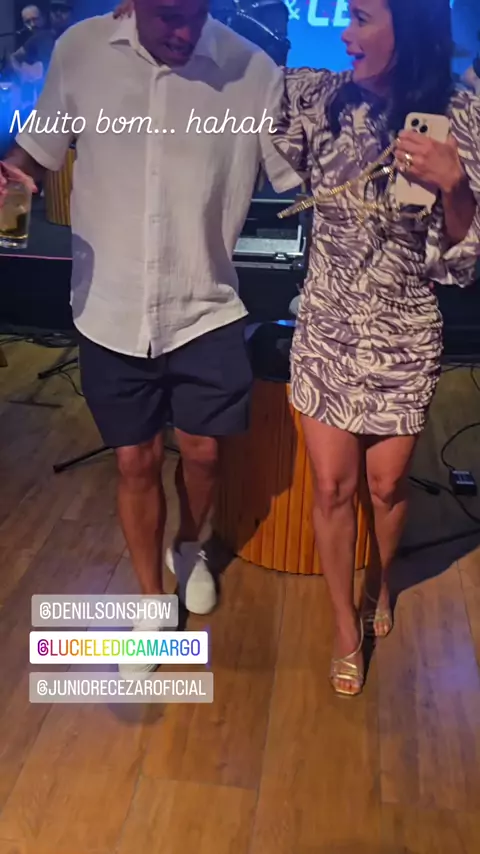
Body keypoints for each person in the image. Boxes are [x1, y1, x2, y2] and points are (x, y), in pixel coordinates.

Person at [0, 0, 301, 673]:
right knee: (134, 463)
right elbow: (36, 152)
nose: (184, 31)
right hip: (109, 306)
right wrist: (11, 172)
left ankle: (189, 547)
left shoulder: (251, 69)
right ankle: (149, 600)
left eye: (195, 13)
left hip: (206, 304)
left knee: (203, 454)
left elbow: (299, 175)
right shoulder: (81, 49)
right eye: (167, 15)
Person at [272, 0, 480, 696]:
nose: (345, 33)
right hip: (329, 323)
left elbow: (459, 266)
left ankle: (380, 583)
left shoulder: (460, 117)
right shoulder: (320, 98)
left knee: (387, 486)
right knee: (332, 487)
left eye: (361, 18)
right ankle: (343, 625)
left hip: (405, 329)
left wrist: (455, 185)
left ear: (409, 27)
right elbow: (233, 90)